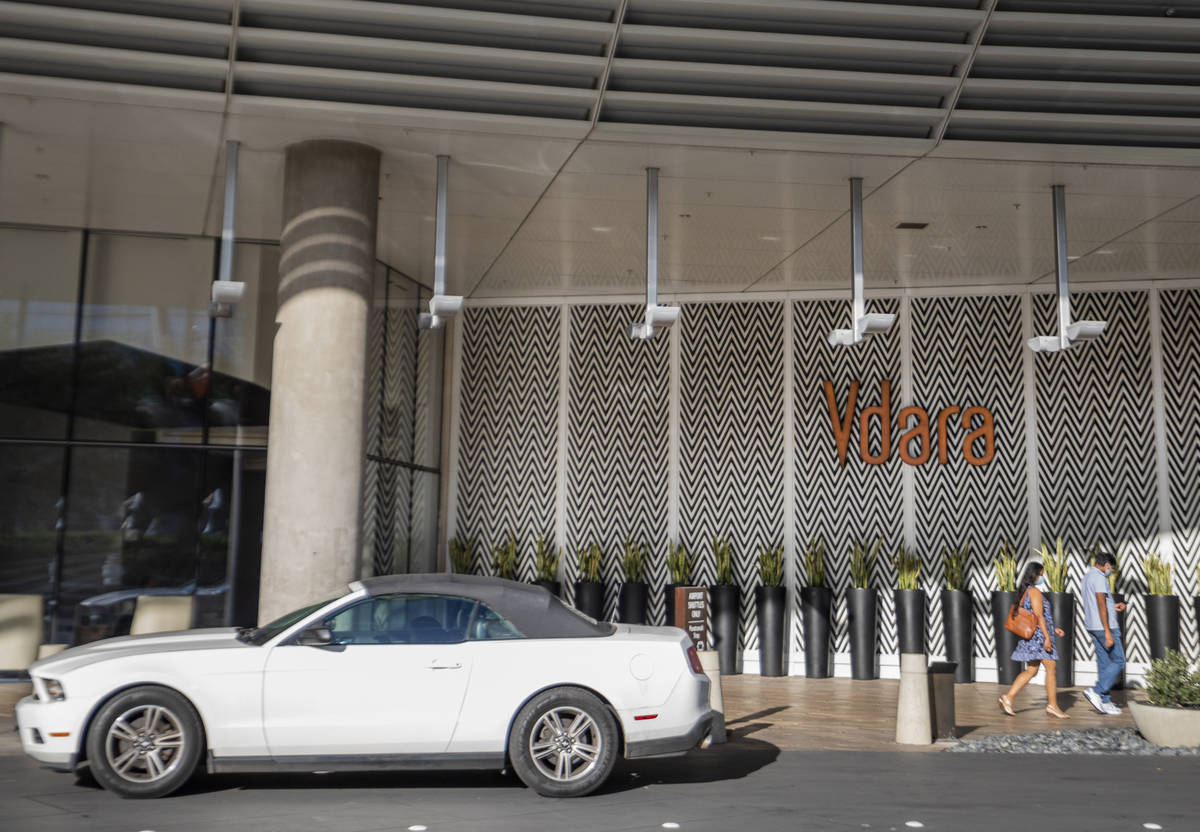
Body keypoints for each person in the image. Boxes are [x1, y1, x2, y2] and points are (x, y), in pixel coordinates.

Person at [999, 561, 1070, 719]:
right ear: (1034, 575)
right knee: (1051, 669)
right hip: (1039, 638)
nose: (1042, 577)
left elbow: (1035, 616)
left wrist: (1053, 629)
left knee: (1032, 670)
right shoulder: (1035, 591)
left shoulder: (1025, 591)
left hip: (1033, 636)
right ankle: (1053, 705)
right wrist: (1047, 637)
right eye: (1041, 575)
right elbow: (1038, 616)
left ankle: (1008, 697)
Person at [1081, 551, 1126, 715]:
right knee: (1119, 660)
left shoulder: (1086, 577)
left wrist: (1113, 607)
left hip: (1092, 625)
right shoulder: (1100, 578)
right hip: (1104, 627)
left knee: (1104, 662)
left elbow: (1096, 603)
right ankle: (1096, 690)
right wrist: (1107, 631)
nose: (1110, 572)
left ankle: (1104, 701)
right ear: (1107, 565)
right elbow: (1100, 602)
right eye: (1111, 569)